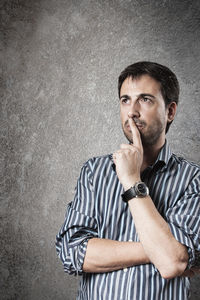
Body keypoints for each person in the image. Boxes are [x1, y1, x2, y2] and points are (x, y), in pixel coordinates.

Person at [56, 61, 200, 300]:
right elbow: (72, 253)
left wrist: (132, 180)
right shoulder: (94, 172)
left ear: (170, 111)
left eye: (145, 99)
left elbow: (172, 263)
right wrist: (162, 251)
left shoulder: (193, 179)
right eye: (125, 100)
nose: (132, 110)